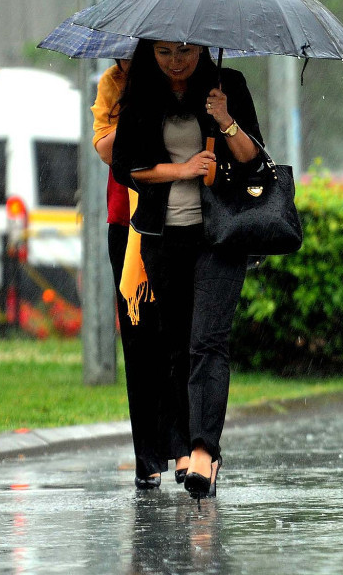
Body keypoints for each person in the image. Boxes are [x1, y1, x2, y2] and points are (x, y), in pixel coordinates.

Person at [112, 40, 263, 500]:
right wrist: (181, 171)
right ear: (149, 55)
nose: (175, 61)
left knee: (208, 341)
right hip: (163, 238)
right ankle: (182, 444)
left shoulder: (227, 84)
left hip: (219, 236)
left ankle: (203, 451)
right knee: (176, 344)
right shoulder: (141, 94)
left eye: (185, 51)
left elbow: (254, 159)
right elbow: (126, 167)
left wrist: (225, 119)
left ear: (202, 49)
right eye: (163, 53)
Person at [91, 59, 182, 490]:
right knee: (138, 337)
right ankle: (147, 455)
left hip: (181, 218)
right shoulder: (114, 84)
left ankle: (185, 448)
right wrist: (137, 113)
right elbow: (108, 150)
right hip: (125, 220)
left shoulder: (182, 76)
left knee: (178, 337)